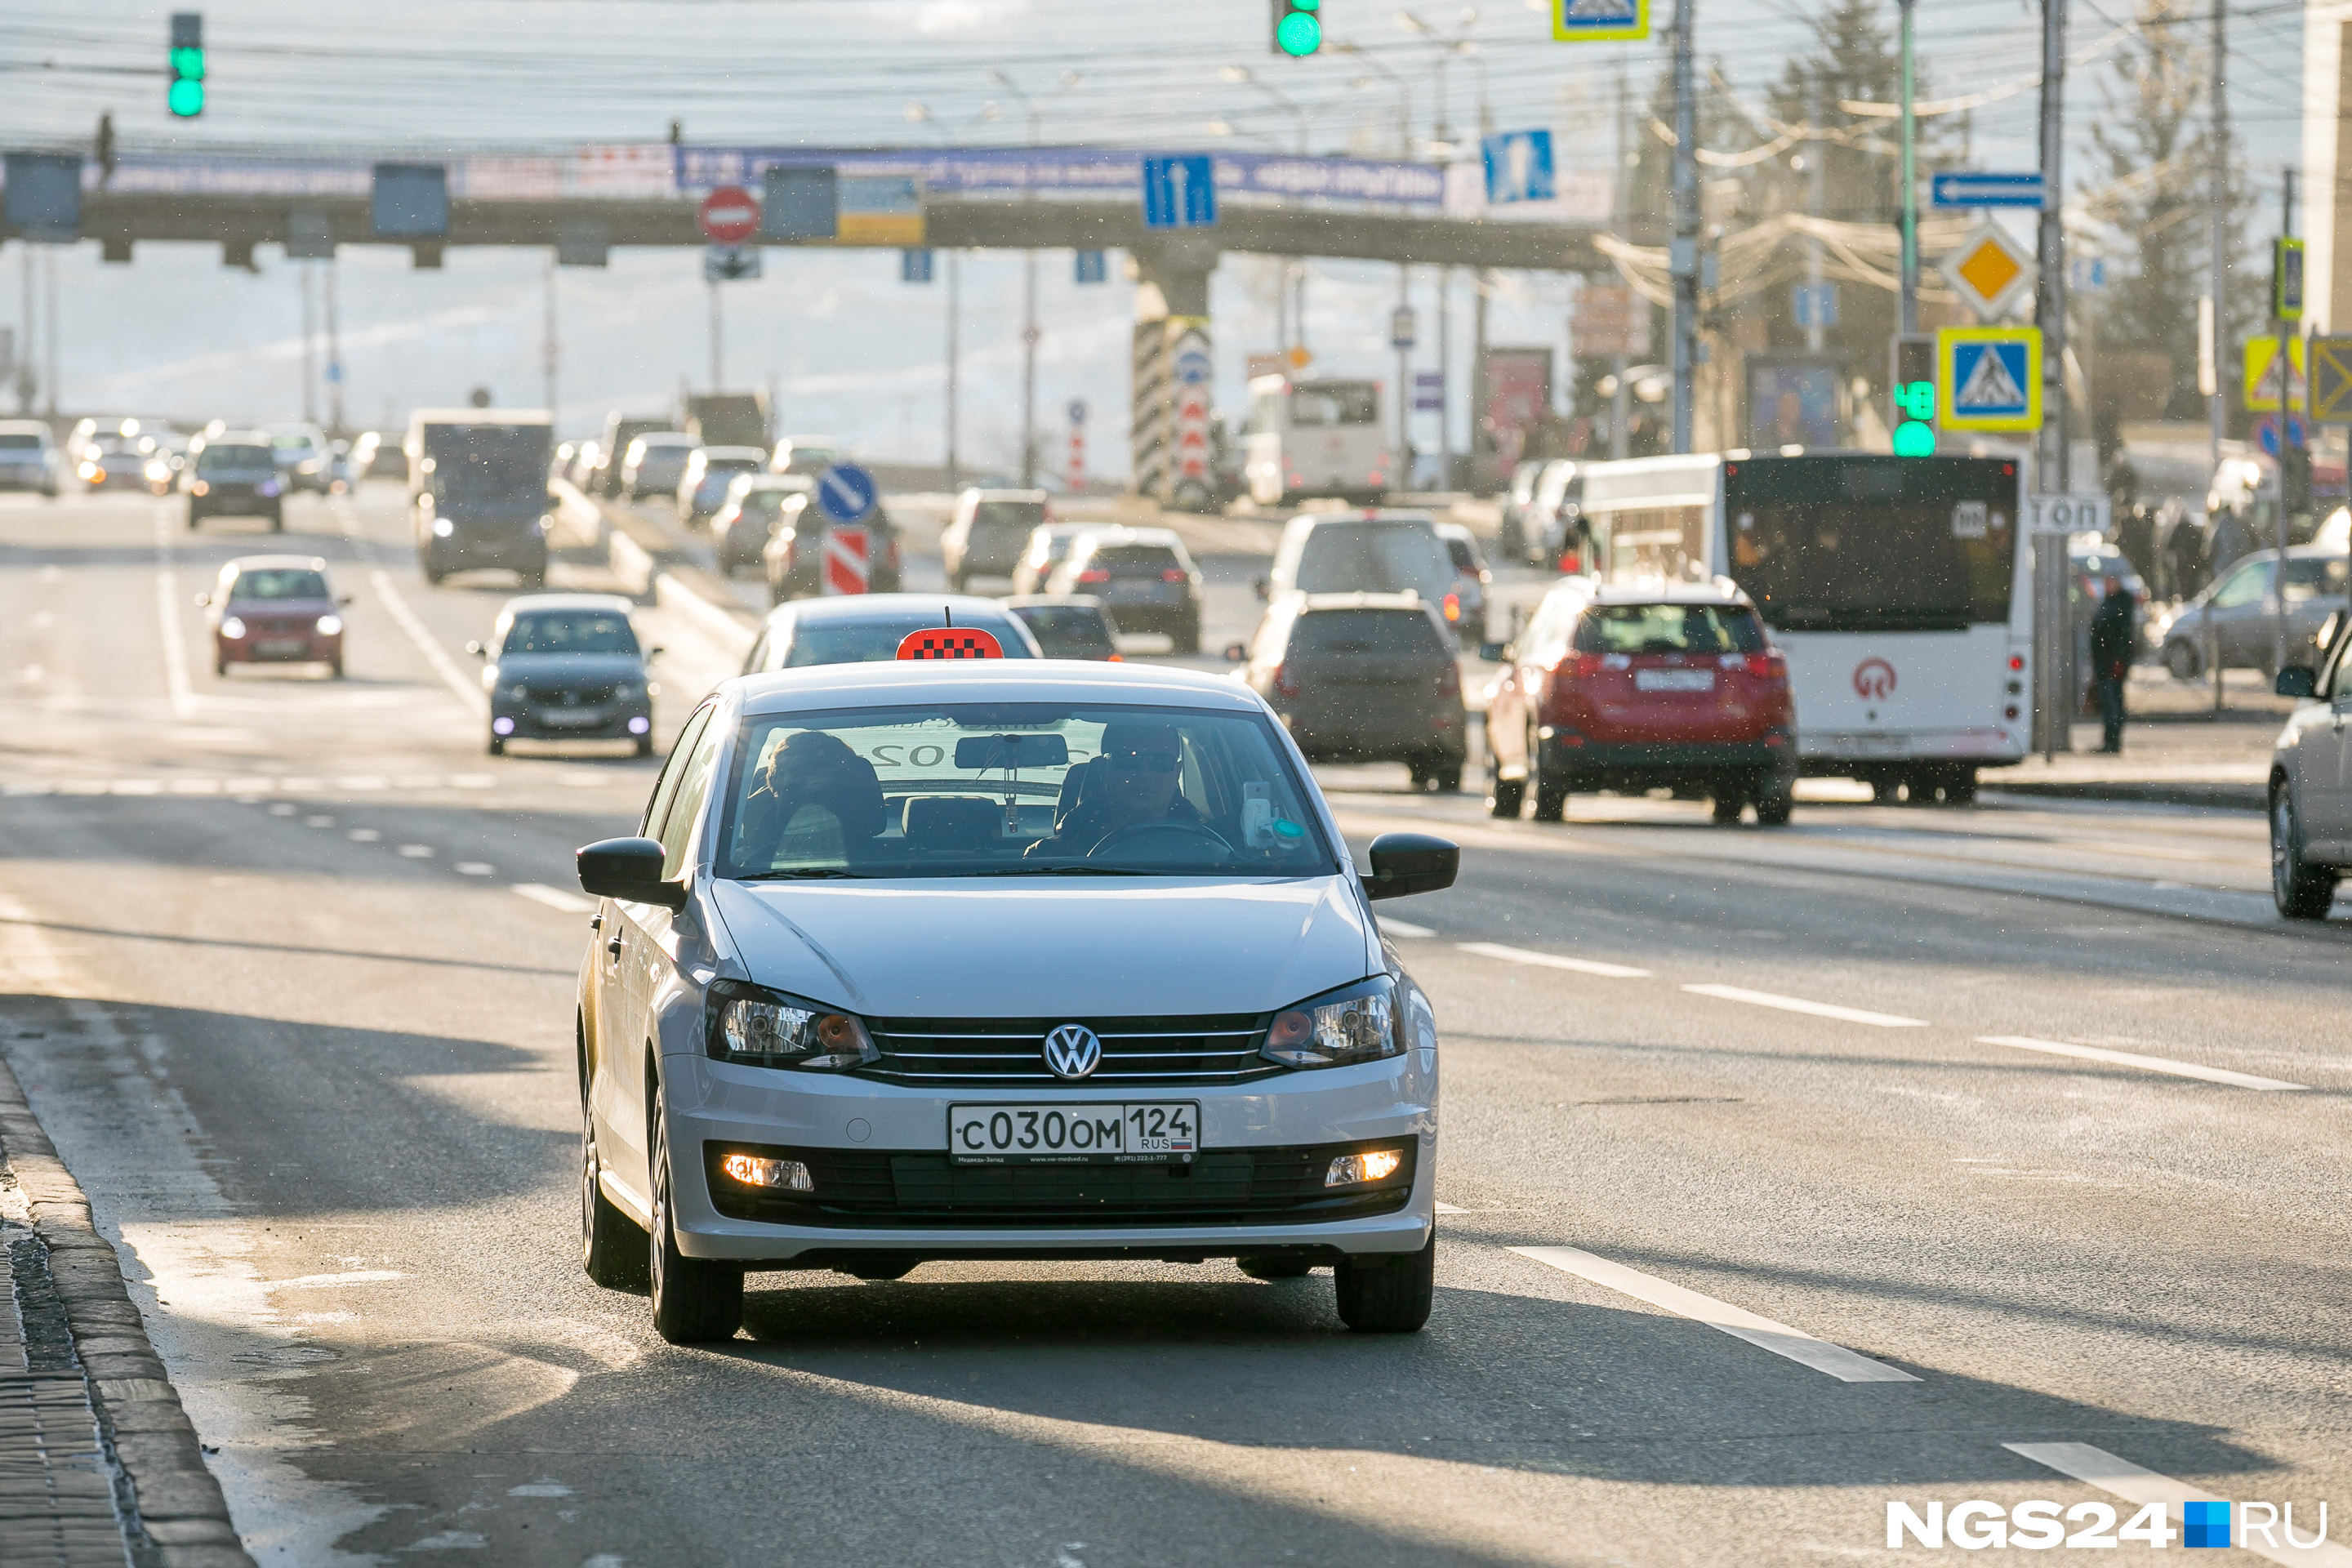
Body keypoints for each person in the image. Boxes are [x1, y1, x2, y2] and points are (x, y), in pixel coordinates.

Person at [1045, 719, 1204, 856]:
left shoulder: (1211, 851)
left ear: (1176, 772)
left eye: (1161, 761)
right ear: (1103, 769)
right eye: (1127, 759)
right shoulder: (1052, 860)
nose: (1144, 773)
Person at [733, 729, 884, 868]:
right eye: (803, 790)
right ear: (855, 790)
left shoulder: (750, 868)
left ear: (773, 791)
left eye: (823, 790)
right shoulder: (894, 859)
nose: (815, 804)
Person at [2089, 575, 2136, 754]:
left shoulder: (2118, 605)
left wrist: (2118, 659)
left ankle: (2113, 740)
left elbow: (2122, 636)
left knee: (2112, 700)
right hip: (2106, 661)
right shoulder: (2111, 604)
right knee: (2110, 699)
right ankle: (2110, 739)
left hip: (2111, 661)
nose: (2106, 586)